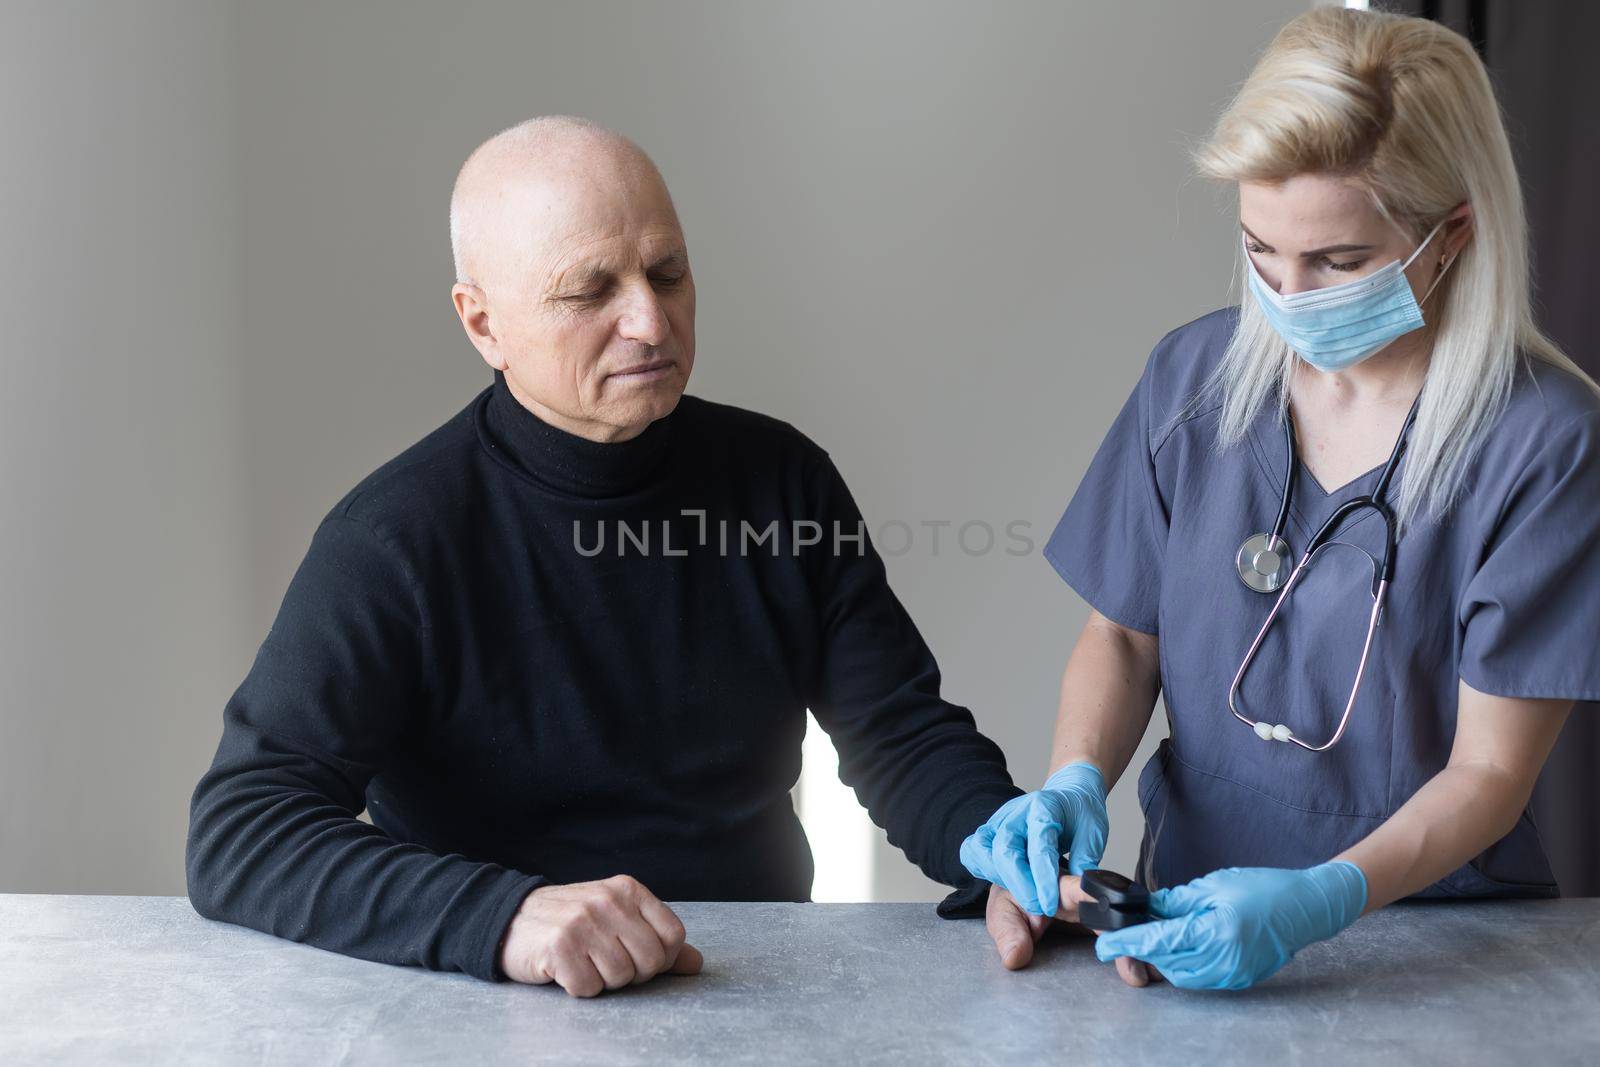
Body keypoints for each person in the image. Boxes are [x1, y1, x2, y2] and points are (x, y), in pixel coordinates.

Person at [186, 116, 1021, 997]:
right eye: (589, 292)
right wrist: (503, 915)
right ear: (484, 324)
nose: (650, 320)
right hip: (488, 1004)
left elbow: (901, 732)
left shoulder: (783, 480)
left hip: (758, 986)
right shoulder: (393, 540)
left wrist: (1001, 844)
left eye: (668, 273)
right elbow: (242, 829)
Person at [960, 7, 1600, 990]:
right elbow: (1126, 636)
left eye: (1339, 263)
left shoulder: (1545, 442)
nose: (1289, 294)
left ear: (1451, 236)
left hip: (1437, 950)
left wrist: (1321, 897)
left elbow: (1488, 774)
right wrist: (1074, 776)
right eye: (1261, 250)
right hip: (1183, 916)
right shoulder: (1192, 379)